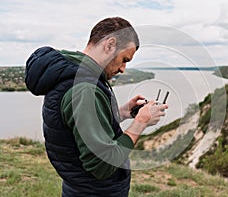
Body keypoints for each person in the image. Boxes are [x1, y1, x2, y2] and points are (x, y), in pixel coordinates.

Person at [25, 17, 168, 197]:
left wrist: (121, 113)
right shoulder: (85, 88)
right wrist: (140, 122)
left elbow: (78, 126)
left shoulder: (74, 74)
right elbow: (103, 165)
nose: (123, 69)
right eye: (124, 59)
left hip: (79, 189)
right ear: (110, 45)